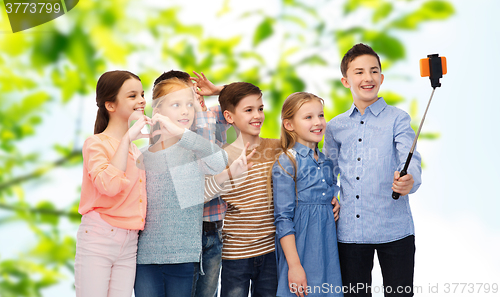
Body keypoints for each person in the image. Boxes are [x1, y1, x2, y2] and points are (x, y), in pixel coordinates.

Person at [323, 43, 422, 297]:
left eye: (373, 71)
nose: (367, 78)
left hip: (395, 229)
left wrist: (409, 180)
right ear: (346, 80)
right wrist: (329, 198)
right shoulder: (335, 127)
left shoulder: (398, 118)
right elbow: (328, 173)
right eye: (359, 72)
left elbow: (410, 159)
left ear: (381, 77)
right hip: (351, 234)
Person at [133, 77, 228, 297]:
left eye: (189, 105)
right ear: (157, 109)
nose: (185, 111)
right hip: (145, 259)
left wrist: (181, 133)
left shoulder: (194, 150)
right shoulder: (141, 157)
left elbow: (219, 162)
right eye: (176, 105)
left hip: (185, 259)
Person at [75, 70, 151, 297]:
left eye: (142, 94)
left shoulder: (137, 150)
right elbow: (108, 186)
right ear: (110, 105)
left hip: (130, 242)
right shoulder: (95, 143)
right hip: (99, 237)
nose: (141, 101)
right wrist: (127, 138)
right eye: (132, 96)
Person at [203, 82, 282, 297]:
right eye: (248, 110)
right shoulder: (222, 157)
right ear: (229, 117)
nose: (257, 115)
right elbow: (202, 193)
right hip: (235, 255)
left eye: (260, 108)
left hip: (271, 252)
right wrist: (223, 94)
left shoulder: (276, 147)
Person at [272, 92, 343, 297]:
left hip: (327, 247)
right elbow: (283, 219)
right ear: (289, 125)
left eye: (320, 115)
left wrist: (334, 201)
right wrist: (294, 266)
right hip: (301, 249)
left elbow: (327, 193)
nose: (318, 122)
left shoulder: (326, 161)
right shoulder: (287, 162)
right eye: (308, 117)